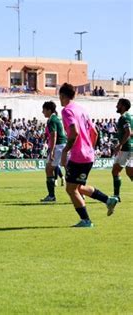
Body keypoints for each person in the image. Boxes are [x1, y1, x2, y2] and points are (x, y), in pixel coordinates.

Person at [59, 83, 118, 227]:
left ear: (62, 96)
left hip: (78, 156)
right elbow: (95, 132)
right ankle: (108, 200)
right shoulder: (82, 110)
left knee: (71, 189)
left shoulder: (67, 111)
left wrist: (65, 151)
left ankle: (86, 220)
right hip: (88, 155)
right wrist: (89, 148)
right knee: (78, 188)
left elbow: (74, 133)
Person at [40, 101, 67, 202]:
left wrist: (51, 151)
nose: (42, 112)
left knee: (49, 169)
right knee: (69, 170)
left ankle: (51, 196)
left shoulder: (51, 120)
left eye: (44, 110)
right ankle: (80, 192)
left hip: (58, 146)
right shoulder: (57, 118)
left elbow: (53, 135)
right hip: (64, 145)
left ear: (49, 110)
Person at [111, 98, 132, 202]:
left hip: (126, 148)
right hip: (130, 148)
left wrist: (120, 144)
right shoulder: (130, 117)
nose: (116, 106)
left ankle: (116, 195)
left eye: (118, 104)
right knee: (130, 172)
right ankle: (116, 195)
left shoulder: (124, 118)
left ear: (123, 106)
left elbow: (128, 132)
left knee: (115, 170)